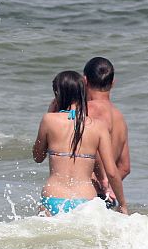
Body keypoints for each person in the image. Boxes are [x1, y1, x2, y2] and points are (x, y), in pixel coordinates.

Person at [34, 71, 128, 215]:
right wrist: (122, 204)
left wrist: (50, 112)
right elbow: (112, 172)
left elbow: (38, 157)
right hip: (85, 201)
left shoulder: (49, 120)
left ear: (57, 94)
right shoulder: (98, 126)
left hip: (53, 197)